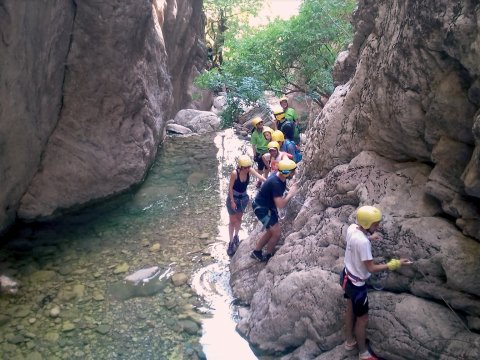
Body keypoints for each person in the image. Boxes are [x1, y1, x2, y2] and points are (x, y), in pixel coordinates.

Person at [341, 206, 411, 360]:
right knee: (363, 319)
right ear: (367, 224)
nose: (377, 226)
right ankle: (363, 353)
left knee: (350, 307)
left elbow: (357, 241)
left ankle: (349, 341)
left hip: (346, 276)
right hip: (357, 286)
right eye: (375, 224)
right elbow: (371, 268)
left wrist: (369, 237)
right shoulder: (363, 243)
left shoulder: (353, 228)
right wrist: (394, 264)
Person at [250, 159, 298, 262]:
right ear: (286, 172)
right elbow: (280, 205)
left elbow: (281, 187)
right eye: (292, 171)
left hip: (266, 206)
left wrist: (290, 189)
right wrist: (291, 194)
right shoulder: (275, 183)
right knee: (276, 233)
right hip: (262, 208)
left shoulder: (280, 175)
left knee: (271, 231)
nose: (294, 173)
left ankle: (257, 252)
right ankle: (269, 255)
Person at [226, 155, 266, 257]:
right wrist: (232, 201)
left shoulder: (249, 170)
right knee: (232, 221)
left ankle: (236, 236)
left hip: (243, 198)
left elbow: (259, 176)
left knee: (239, 219)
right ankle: (230, 242)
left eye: (249, 167)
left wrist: (269, 181)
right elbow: (230, 188)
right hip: (233, 198)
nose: (247, 169)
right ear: (240, 167)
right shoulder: (235, 173)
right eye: (245, 167)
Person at [250, 117, 269, 188]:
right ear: (256, 125)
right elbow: (253, 145)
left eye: (261, 122)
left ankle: (266, 180)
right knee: (260, 168)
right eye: (259, 123)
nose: (261, 124)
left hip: (268, 151)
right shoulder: (254, 134)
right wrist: (255, 155)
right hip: (260, 152)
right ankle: (260, 181)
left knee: (267, 167)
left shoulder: (267, 130)